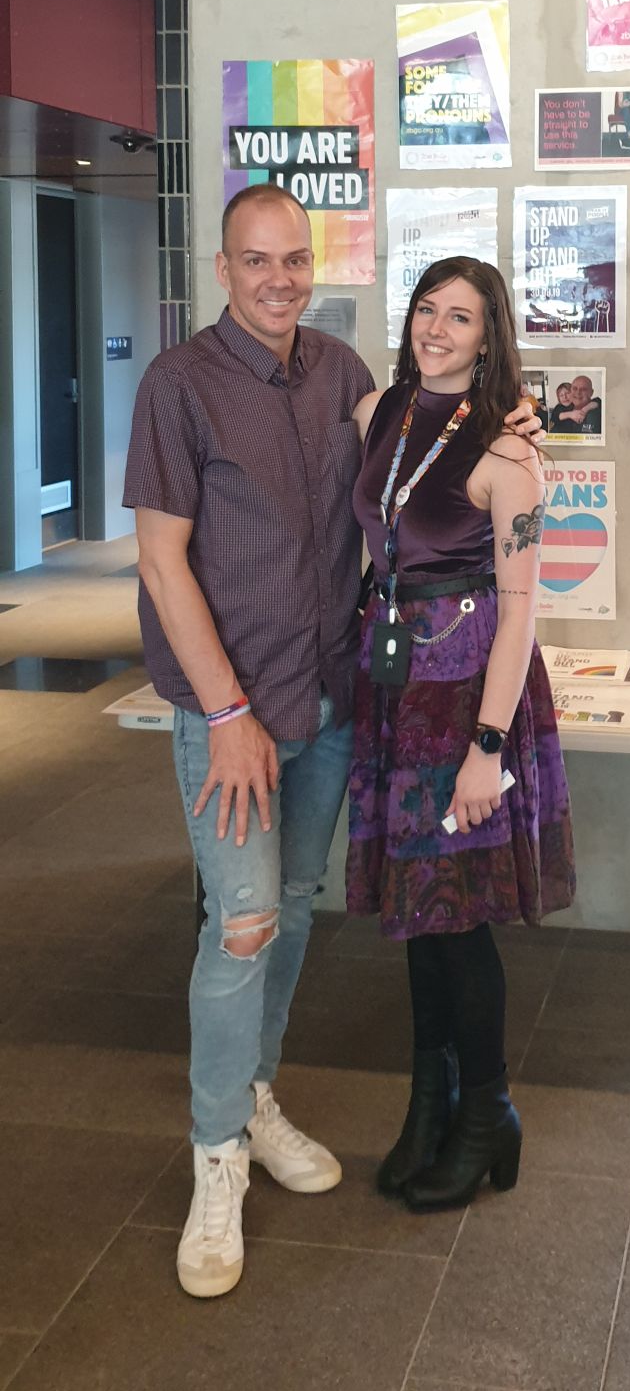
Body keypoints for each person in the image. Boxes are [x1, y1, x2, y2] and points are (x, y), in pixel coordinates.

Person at [124, 186, 540, 1300]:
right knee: (244, 921)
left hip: (341, 701)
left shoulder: (348, 382)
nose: (278, 279)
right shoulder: (178, 385)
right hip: (232, 716)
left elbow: (460, 469)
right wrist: (222, 715)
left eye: (295, 260)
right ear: (223, 268)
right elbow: (161, 562)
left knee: (298, 903)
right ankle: (218, 1156)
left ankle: (260, 1101)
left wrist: (516, 421)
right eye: (255, 261)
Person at [347, 256, 576, 1210]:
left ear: (491, 338)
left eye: (462, 318)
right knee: (419, 917)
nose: (437, 330)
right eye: (427, 310)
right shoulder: (376, 416)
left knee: (461, 916)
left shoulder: (512, 454)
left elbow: (522, 612)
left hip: (469, 692)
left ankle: (488, 1112)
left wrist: (489, 747)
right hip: (397, 686)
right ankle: (429, 1106)